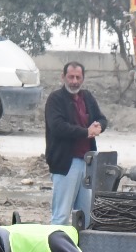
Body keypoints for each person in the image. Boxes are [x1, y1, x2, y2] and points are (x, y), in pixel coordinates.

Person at [44, 62, 107, 225]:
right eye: (71, 77)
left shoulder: (87, 97)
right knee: (61, 216)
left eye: (78, 77)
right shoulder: (55, 99)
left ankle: (81, 249)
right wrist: (86, 132)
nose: (74, 81)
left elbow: (101, 118)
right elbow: (58, 127)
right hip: (66, 163)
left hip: (87, 163)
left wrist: (99, 126)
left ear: (83, 78)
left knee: (86, 217)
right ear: (63, 77)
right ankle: (56, 249)